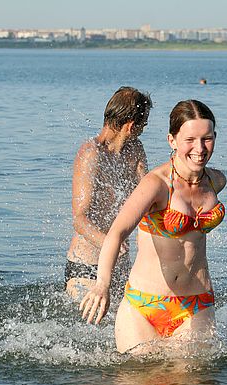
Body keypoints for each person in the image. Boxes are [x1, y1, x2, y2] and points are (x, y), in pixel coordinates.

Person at [80, 99, 227, 354]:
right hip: (143, 308)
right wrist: (102, 284)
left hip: (197, 305)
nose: (200, 148)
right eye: (190, 139)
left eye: (207, 138)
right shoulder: (156, 185)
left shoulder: (216, 181)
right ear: (172, 141)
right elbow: (116, 234)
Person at [65, 86, 152, 304]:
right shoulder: (90, 154)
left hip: (120, 264)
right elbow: (79, 219)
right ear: (131, 126)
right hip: (86, 266)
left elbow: (149, 195)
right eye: (144, 125)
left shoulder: (135, 150)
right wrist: (109, 244)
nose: (143, 130)